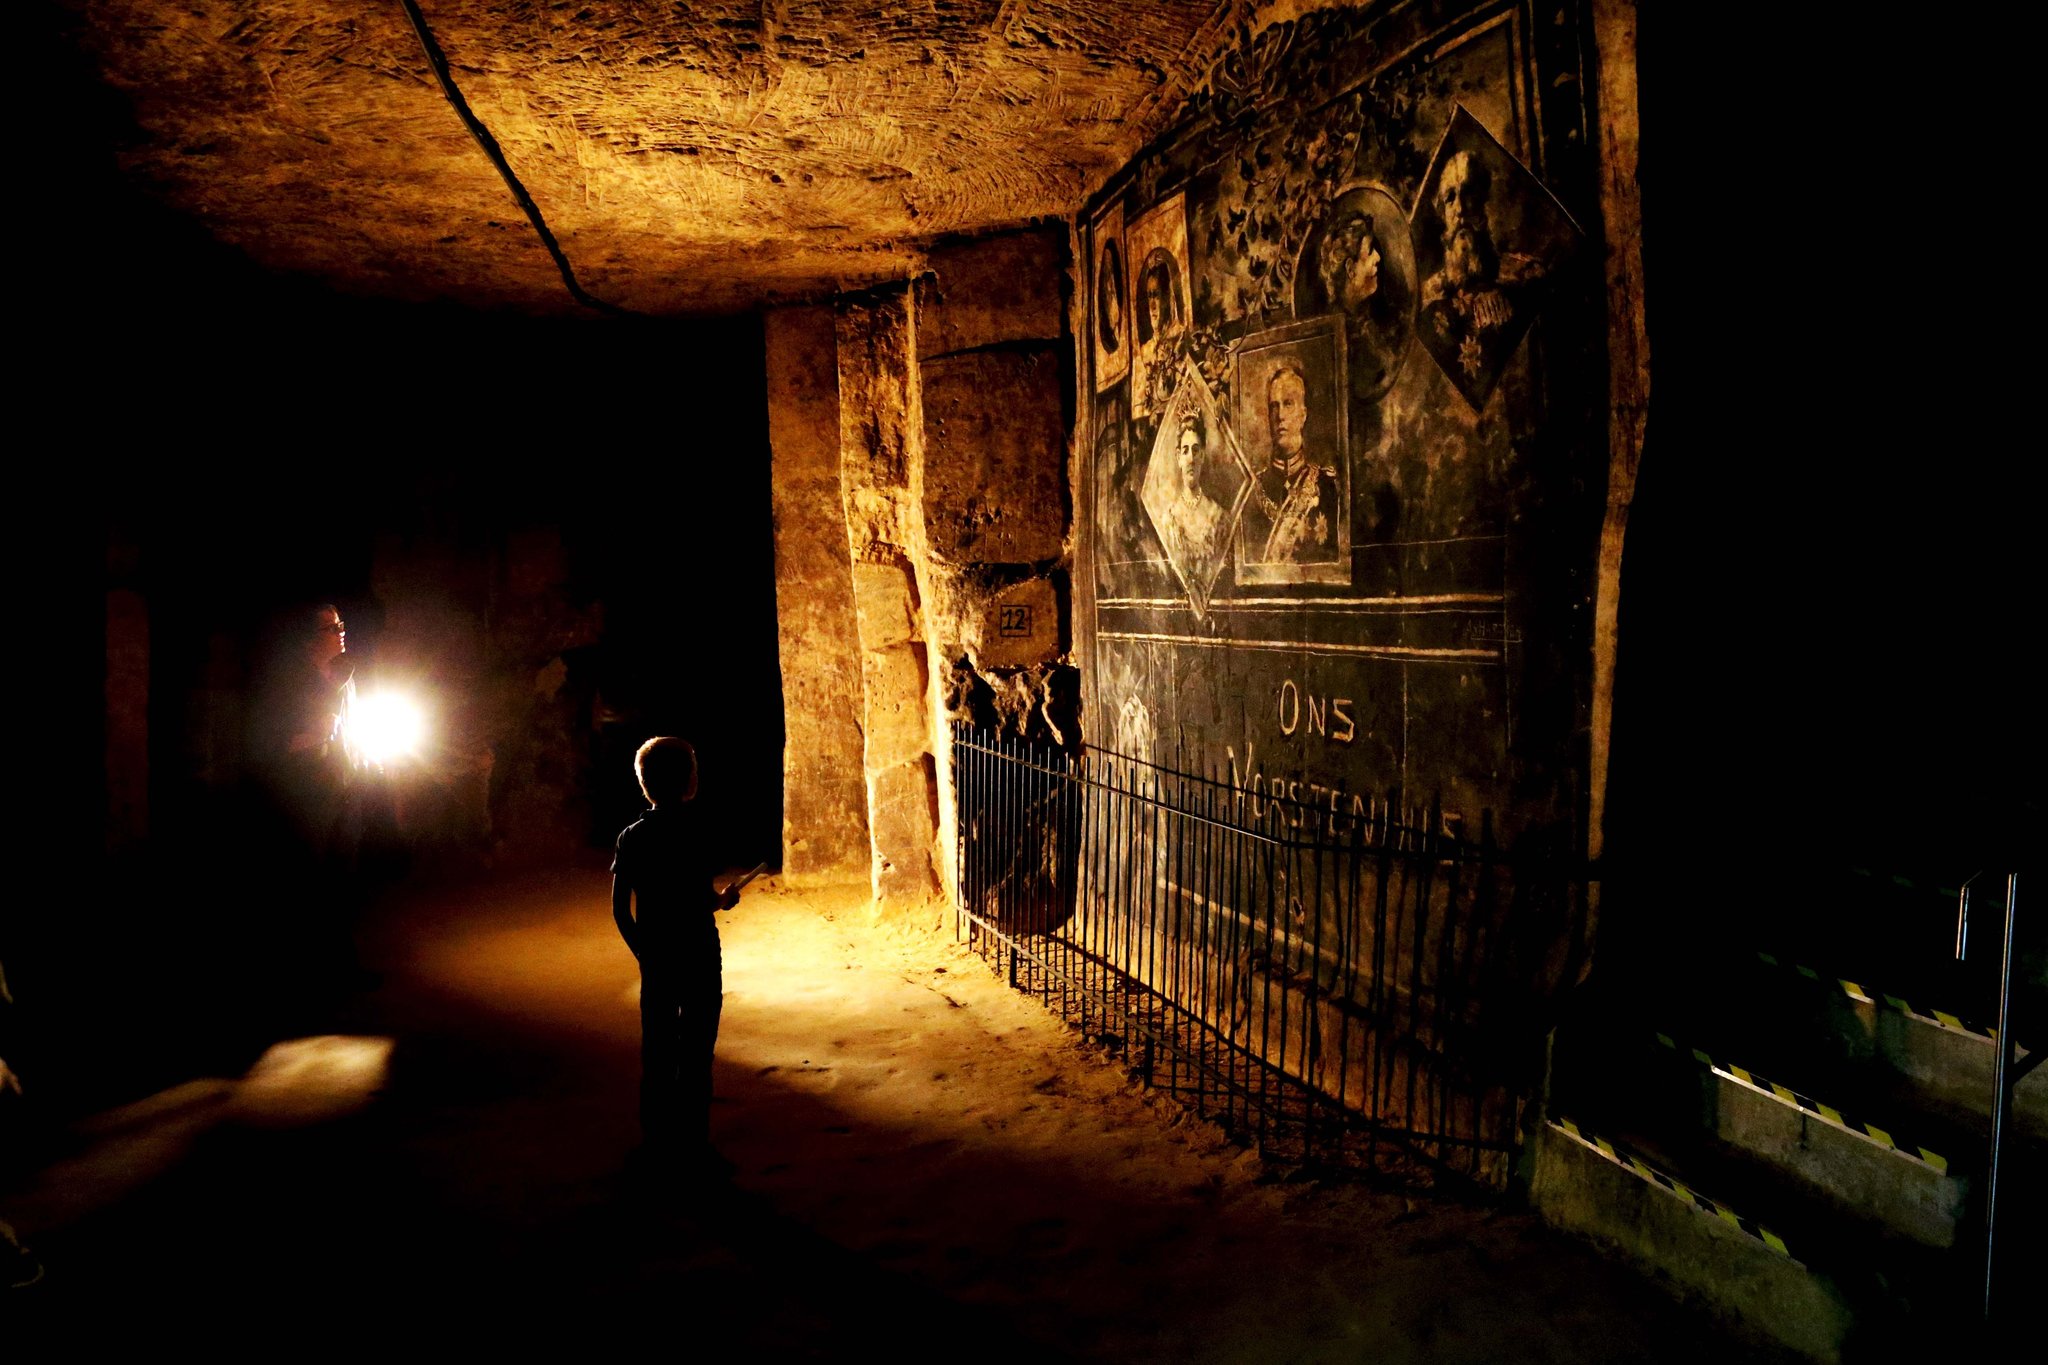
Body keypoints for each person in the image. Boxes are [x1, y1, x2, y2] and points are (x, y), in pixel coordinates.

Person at [611, 737, 740, 1170]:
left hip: (659, 957)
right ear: (689, 781)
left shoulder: (633, 837)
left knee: (659, 1050)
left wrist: (643, 953)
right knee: (698, 1051)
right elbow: (698, 898)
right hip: (701, 953)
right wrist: (721, 900)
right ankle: (695, 1146)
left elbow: (620, 909)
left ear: (644, 782)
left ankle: (656, 1145)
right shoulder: (697, 833)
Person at [1243, 363, 1340, 564]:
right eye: (1274, 406)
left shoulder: (1326, 485)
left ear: (1303, 415)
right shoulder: (1253, 490)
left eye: (1288, 404)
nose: (1280, 416)